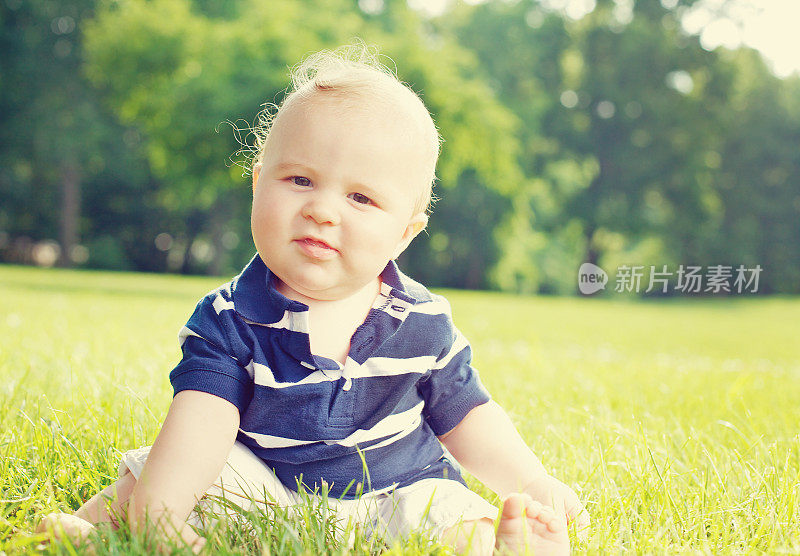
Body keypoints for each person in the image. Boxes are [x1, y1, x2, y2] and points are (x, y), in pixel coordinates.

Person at [37, 44, 589, 554]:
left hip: (395, 492)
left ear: (405, 231)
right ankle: (95, 530)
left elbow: (469, 418)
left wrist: (536, 484)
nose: (323, 210)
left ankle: (504, 547)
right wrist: (162, 512)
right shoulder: (230, 319)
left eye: (360, 196)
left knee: (446, 512)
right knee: (172, 470)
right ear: (258, 184)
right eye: (300, 180)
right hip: (272, 492)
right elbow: (200, 424)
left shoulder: (421, 321)